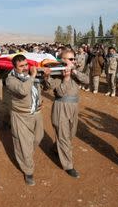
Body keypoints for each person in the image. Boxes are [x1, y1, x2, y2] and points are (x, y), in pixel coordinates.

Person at [6, 54, 50, 186]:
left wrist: (46, 77)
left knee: (38, 137)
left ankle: (27, 156)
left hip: (36, 113)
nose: (25, 68)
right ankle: (28, 171)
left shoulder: (32, 76)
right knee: (23, 144)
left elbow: (45, 88)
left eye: (26, 65)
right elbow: (23, 90)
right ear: (14, 67)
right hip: (21, 116)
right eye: (21, 66)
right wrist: (33, 75)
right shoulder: (10, 79)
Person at [49, 49, 87, 178]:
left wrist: (74, 71)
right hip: (61, 106)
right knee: (64, 137)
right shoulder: (55, 74)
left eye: (74, 59)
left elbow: (86, 80)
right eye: (71, 59)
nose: (73, 61)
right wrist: (66, 78)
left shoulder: (75, 72)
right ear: (63, 60)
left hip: (74, 107)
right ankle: (68, 165)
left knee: (70, 134)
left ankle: (56, 148)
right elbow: (60, 92)